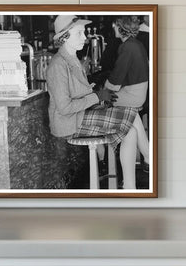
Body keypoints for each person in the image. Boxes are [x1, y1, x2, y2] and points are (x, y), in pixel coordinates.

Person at [46, 15, 139, 188]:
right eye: (79, 33)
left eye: (84, 33)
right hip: (70, 123)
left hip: (79, 116)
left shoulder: (72, 59)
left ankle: (129, 185)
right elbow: (65, 108)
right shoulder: (58, 65)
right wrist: (97, 96)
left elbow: (78, 93)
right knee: (131, 129)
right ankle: (130, 187)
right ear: (64, 37)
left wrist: (95, 92)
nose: (85, 37)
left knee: (132, 124)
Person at [104, 16, 150, 187]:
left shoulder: (127, 47)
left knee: (105, 102)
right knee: (132, 116)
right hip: (139, 91)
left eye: (115, 25)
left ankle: (103, 158)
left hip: (133, 93)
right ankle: (148, 155)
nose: (113, 27)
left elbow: (116, 79)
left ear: (120, 27)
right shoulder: (135, 44)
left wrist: (104, 87)